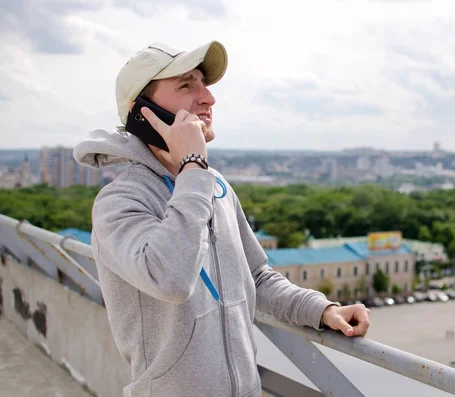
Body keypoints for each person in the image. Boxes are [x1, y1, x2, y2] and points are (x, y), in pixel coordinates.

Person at [74, 41, 371, 397]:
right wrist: (193, 168)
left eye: (204, 83)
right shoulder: (119, 201)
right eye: (187, 85)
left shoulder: (215, 188)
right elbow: (169, 279)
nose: (208, 98)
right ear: (144, 113)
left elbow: (257, 277)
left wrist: (321, 309)